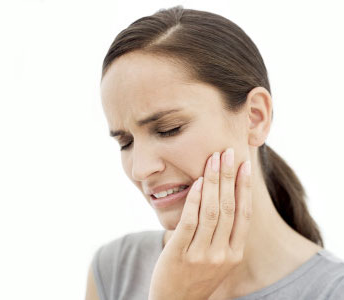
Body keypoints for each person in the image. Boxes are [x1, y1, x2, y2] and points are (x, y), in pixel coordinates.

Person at [85, 5, 344, 300]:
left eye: (169, 129)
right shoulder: (116, 269)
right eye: (126, 143)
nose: (140, 169)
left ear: (255, 117)